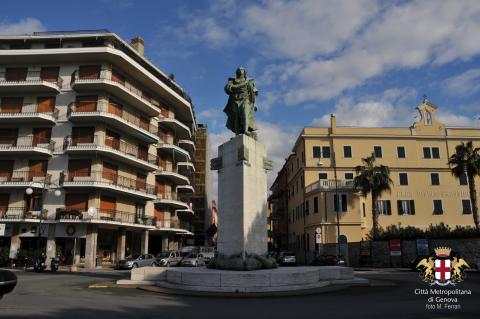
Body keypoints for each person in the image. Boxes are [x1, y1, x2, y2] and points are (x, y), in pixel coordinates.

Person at [223, 67, 258, 137]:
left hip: (245, 99)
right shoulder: (232, 81)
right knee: (236, 117)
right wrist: (235, 87)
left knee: (245, 113)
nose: (240, 70)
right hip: (235, 100)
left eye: (242, 69)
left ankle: (245, 130)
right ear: (237, 72)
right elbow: (227, 88)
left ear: (244, 71)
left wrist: (255, 103)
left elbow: (253, 92)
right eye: (239, 69)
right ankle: (237, 133)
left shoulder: (248, 80)